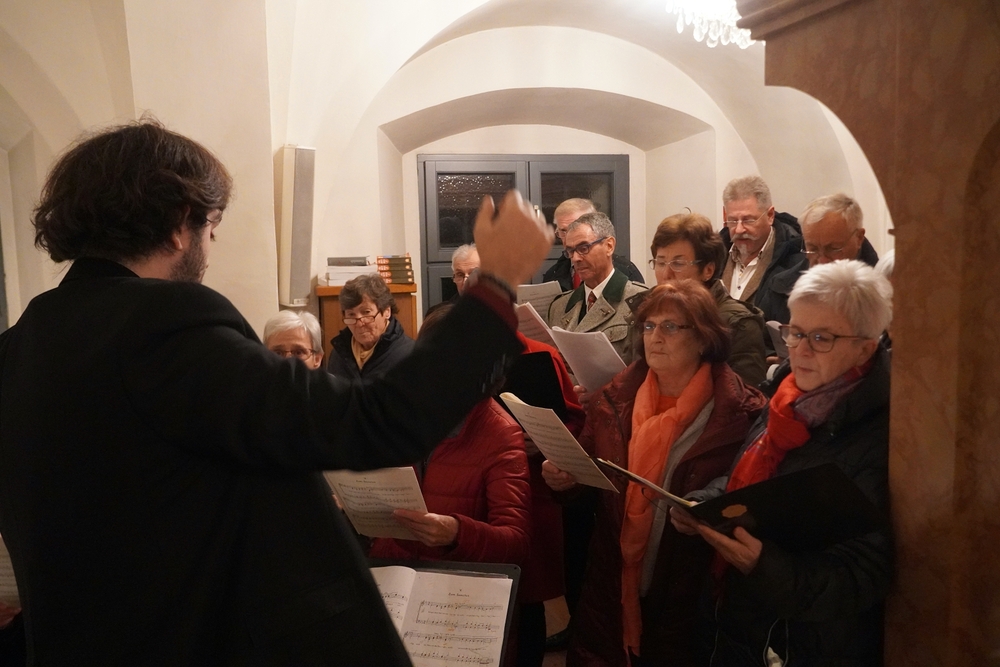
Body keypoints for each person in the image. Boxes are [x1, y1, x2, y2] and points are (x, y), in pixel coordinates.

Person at [0, 119, 553, 665]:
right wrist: (496, 284)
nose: (209, 247)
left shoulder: (21, 345)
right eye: (211, 226)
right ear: (177, 224)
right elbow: (378, 421)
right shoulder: (161, 324)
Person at [671, 260, 893, 666]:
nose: (800, 350)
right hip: (737, 618)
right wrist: (705, 503)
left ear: (865, 347)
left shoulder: (880, 435)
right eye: (795, 332)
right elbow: (754, 482)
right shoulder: (789, 396)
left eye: (821, 338)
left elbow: (862, 575)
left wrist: (761, 565)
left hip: (796, 643)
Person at [542, 281, 766, 667]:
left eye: (671, 327)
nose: (655, 337)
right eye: (648, 326)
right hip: (610, 580)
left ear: (704, 338)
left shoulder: (739, 413)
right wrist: (565, 480)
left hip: (687, 588)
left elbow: (745, 500)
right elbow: (588, 471)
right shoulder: (614, 398)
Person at [368, 304, 531, 565]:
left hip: (452, 579)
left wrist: (457, 534)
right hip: (391, 569)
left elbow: (515, 543)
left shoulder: (500, 433)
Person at [648, 212, 768, 386]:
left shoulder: (738, 324)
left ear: (708, 271)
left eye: (678, 264)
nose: (666, 274)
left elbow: (744, 397)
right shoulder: (646, 312)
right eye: (660, 263)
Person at [546, 212, 647, 364]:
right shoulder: (559, 307)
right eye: (570, 251)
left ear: (609, 246)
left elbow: (644, 370)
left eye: (584, 248)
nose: (575, 258)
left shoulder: (640, 301)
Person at [765, 193, 880, 324]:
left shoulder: (883, 293)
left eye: (833, 248)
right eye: (812, 248)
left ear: (859, 238)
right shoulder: (780, 287)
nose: (822, 260)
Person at [719, 175, 805, 327]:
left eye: (748, 220)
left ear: (770, 215)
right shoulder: (714, 255)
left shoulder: (796, 261)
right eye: (733, 220)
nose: (739, 229)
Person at [327, 273, 415, 380]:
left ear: (387, 311)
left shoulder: (410, 355)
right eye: (351, 314)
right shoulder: (339, 354)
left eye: (366, 312)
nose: (359, 323)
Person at [543, 199, 644, 290]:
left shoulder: (627, 271)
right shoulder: (553, 275)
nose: (569, 236)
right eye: (563, 231)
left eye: (576, 228)